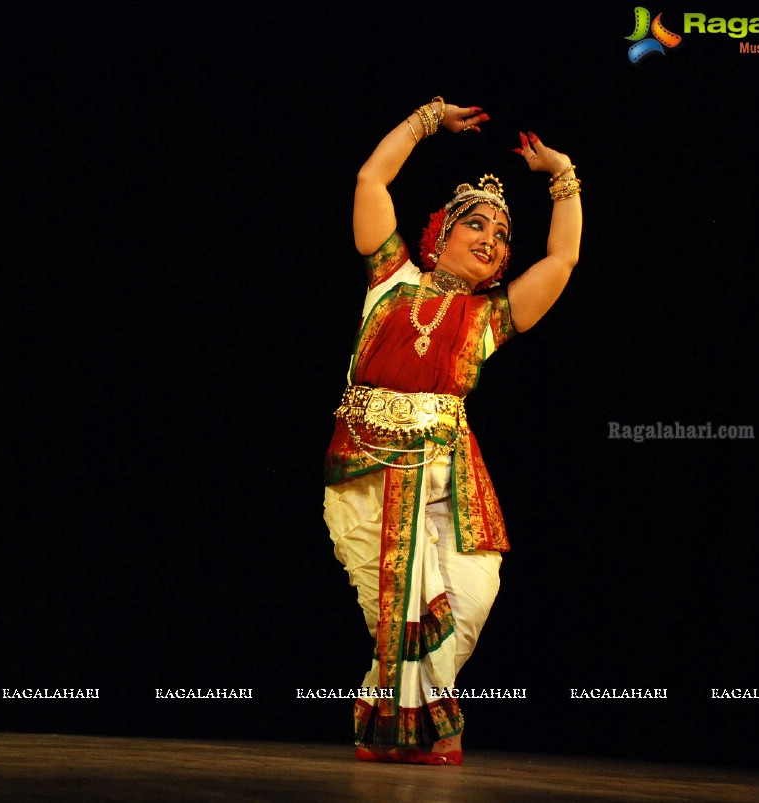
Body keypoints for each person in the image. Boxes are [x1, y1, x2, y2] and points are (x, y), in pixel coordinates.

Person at [322, 96, 582, 765]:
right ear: (439, 233)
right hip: (368, 468)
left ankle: (400, 716)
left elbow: (561, 262)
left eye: (500, 234)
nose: (491, 238)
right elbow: (370, 182)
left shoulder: (490, 317)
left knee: (468, 599)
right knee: (393, 609)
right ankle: (428, 727)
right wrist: (424, 121)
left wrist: (563, 176)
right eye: (476, 224)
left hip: (448, 473)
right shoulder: (390, 276)